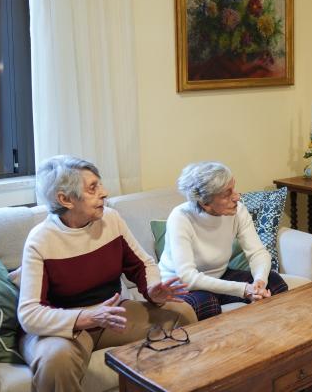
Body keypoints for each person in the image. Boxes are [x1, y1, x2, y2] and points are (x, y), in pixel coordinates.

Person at [18, 156, 194, 392]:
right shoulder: (41, 240)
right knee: (56, 361)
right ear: (65, 199)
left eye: (100, 184)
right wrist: (87, 317)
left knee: (181, 313)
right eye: (93, 188)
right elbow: (29, 314)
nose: (104, 192)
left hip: (111, 315)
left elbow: (143, 264)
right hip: (64, 326)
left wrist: (153, 289)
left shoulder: (110, 219)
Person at [159, 161, 288, 320]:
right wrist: (243, 289)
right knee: (207, 303)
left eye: (233, 188)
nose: (236, 197)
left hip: (218, 277)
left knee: (274, 282)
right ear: (205, 203)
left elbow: (257, 253)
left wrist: (259, 282)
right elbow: (188, 277)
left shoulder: (238, 210)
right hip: (181, 287)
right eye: (227, 194)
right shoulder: (180, 217)